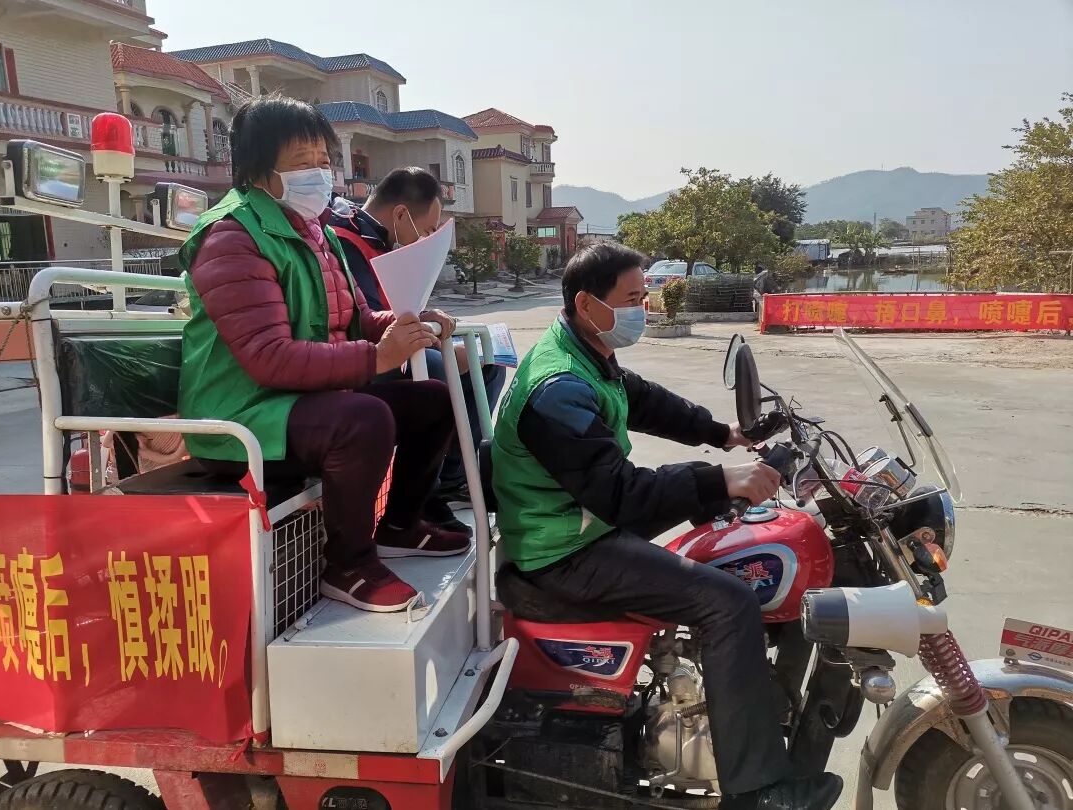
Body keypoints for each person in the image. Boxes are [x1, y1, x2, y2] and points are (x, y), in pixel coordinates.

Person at [491, 242, 843, 810]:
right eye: (632, 299)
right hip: (564, 549)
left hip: (580, 524)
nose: (644, 309)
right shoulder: (558, 388)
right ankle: (758, 790)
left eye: (645, 297)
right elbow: (621, 496)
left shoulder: (585, 351)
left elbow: (643, 399)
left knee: (720, 519)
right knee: (728, 602)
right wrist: (719, 479)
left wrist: (723, 434)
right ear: (587, 303)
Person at [177, 95, 469, 614]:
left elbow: (356, 317)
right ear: (258, 170)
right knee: (363, 417)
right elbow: (269, 358)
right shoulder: (231, 238)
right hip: (241, 415)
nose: (318, 173)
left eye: (322, 159)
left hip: (299, 401)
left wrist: (405, 321)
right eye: (301, 161)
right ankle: (348, 564)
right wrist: (377, 358)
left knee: (433, 400)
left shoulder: (317, 232)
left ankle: (400, 525)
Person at [328, 169, 505, 528]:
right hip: (359, 360)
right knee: (437, 372)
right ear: (400, 215)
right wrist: (432, 341)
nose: (425, 240)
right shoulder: (344, 241)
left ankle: (454, 477)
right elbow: (368, 322)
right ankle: (426, 494)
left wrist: (427, 321)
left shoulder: (379, 242)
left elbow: (391, 312)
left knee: (488, 362)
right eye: (426, 231)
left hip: (397, 343)